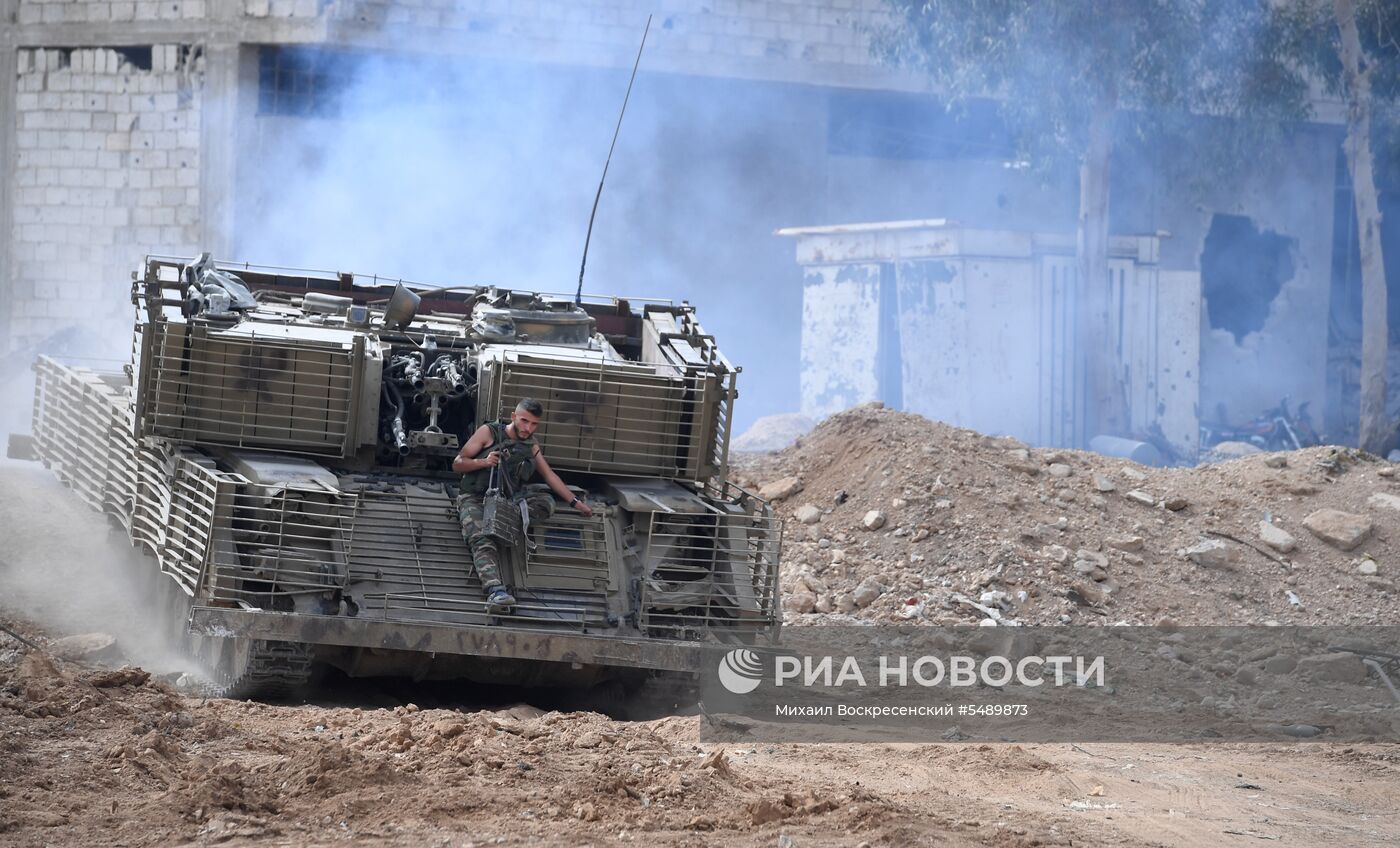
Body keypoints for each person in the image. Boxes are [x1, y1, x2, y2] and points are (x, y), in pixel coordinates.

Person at [452, 398, 593, 613]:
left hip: (507, 500)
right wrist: (484, 462)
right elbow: (457, 464)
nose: (528, 428)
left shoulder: (530, 446)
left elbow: (549, 475)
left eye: (534, 424)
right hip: (474, 497)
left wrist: (575, 503)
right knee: (481, 538)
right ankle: (495, 591)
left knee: (546, 503)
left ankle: (505, 518)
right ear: (513, 417)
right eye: (524, 421)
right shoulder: (489, 433)